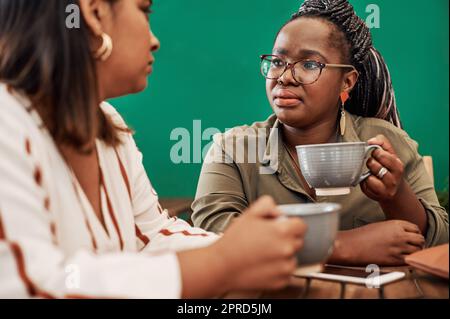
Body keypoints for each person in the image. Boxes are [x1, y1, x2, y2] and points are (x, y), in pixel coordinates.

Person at [0, 0, 307, 298]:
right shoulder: (7, 122)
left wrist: (250, 252)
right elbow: (35, 287)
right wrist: (221, 262)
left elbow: (151, 236)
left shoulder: (107, 123)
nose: (155, 40)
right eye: (144, 10)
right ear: (94, 14)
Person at [192, 0, 449, 266]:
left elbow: (440, 248)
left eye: (309, 65)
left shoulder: (388, 144)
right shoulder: (232, 150)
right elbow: (211, 235)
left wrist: (396, 197)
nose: (284, 77)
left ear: (347, 80)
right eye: (277, 61)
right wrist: (340, 245)